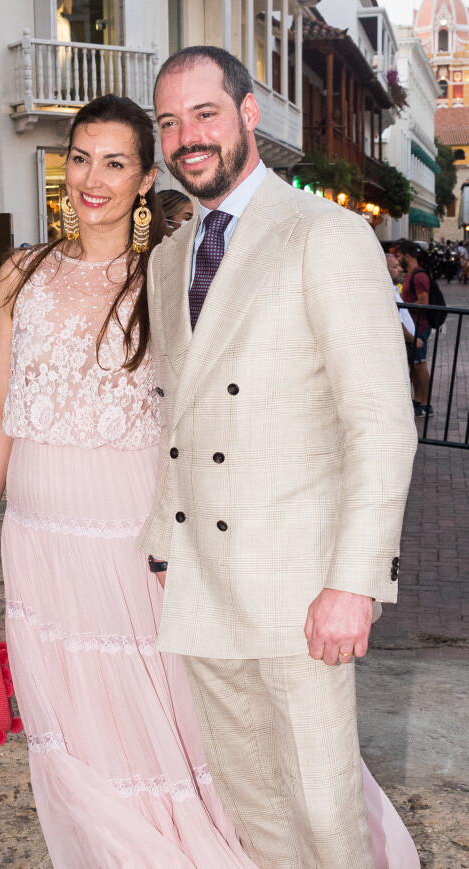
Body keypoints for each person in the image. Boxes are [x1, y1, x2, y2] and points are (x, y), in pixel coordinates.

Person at [139, 46, 419, 869]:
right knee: (251, 800)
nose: (186, 136)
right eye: (169, 122)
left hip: (300, 589)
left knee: (323, 810)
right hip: (200, 577)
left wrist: (355, 583)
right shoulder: (167, 259)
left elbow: (381, 423)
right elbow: (174, 413)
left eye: (203, 114)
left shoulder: (324, 235)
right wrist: (163, 540)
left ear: (248, 113)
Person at [0, 94, 258, 868]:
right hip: (35, 529)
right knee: (68, 714)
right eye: (81, 157)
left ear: (144, 177)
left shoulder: (165, 277)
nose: (93, 178)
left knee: (148, 704)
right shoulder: (18, 273)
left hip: (128, 527)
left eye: (115, 162)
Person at [397, 240, 433, 417]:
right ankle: (418, 399)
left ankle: (426, 403)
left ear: (406, 255)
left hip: (420, 325)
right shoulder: (409, 274)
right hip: (413, 326)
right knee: (415, 365)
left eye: (398, 256)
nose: (397, 260)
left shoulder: (418, 275)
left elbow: (423, 302)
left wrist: (404, 305)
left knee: (420, 365)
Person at [386, 252, 423, 366]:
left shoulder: (395, 290)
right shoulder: (388, 293)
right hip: (405, 345)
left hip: (409, 345)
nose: (401, 269)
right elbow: (397, 323)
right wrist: (413, 339)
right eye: (395, 267)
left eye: (399, 265)